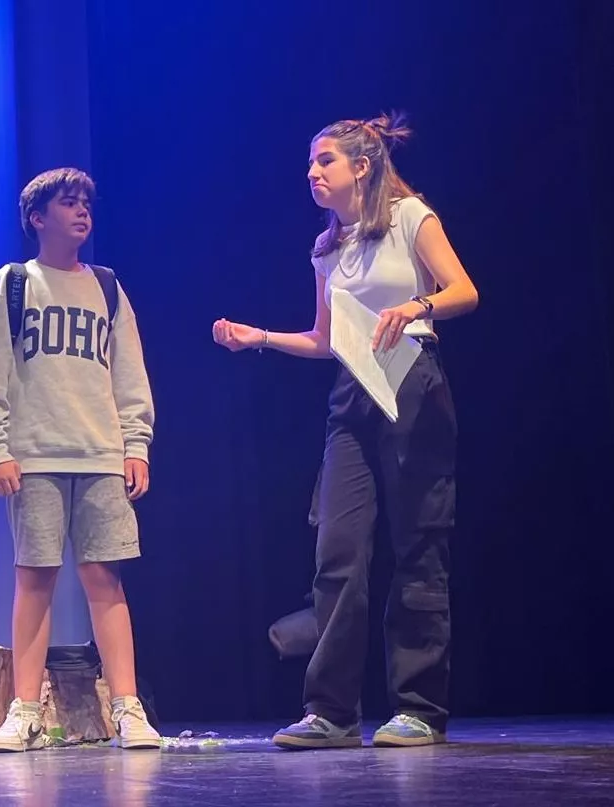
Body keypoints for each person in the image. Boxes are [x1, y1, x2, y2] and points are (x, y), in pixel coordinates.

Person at [213, 113, 479, 749]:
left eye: (324, 161)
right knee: (339, 550)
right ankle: (331, 712)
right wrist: (262, 339)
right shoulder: (327, 247)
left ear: (361, 167)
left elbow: (464, 290)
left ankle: (418, 707)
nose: (312, 172)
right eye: (310, 163)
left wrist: (416, 306)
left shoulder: (412, 217)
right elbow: (325, 339)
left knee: (417, 545)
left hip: (414, 380)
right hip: (352, 395)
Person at [0, 167, 161, 752]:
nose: (81, 213)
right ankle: (24, 710)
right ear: (37, 217)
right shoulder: (15, 283)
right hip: (35, 456)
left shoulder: (105, 286)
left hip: (101, 455)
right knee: (35, 581)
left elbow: (129, 372)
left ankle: (127, 708)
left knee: (106, 581)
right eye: (68, 204)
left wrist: (136, 443)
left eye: (85, 204)